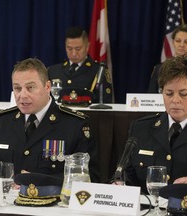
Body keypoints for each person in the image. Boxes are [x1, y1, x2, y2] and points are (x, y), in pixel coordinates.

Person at [0, 58, 100, 182]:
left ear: (47, 87)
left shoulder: (74, 125)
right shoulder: (0, 123)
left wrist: (39, 181)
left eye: (30, 87)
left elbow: (90, 177)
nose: (23, 95)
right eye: (17, 88)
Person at [122, 55, 187, 194]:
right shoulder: (140, 128)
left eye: (184, 94)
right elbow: (127, 176)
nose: (175, 100)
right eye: (169, 93)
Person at [48, 26, 113, 104]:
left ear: (87, 46)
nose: (74, 53)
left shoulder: (99, 71)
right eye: (69, 49)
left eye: (78, 49)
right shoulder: (53, 71)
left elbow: (105, 102)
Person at [148, 24, 187, 93]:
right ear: (173, 43)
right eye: (178, 41)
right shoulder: (159, 69)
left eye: (186, 42)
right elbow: (152, 95)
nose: (181, 45)